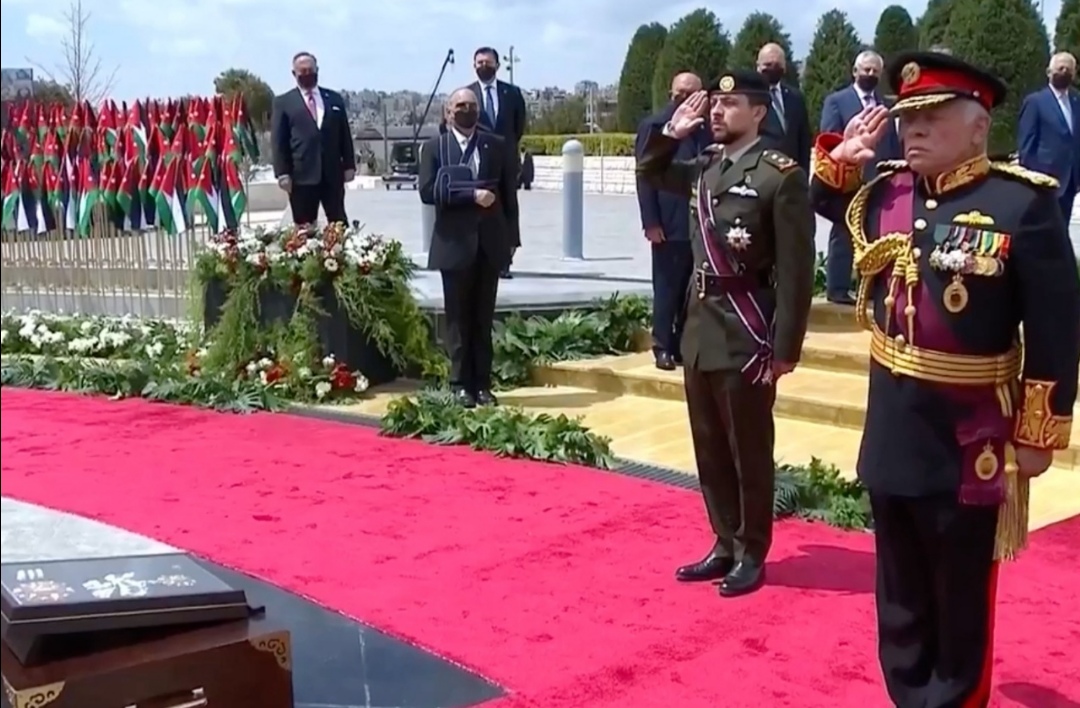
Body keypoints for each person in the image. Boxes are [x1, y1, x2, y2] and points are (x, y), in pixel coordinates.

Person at [809, 51, 1080, 706]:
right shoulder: (888, 192)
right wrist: (841, 157)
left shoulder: (1021, 204)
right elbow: (823, 200)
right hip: (894, 430)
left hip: (970, 437)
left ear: (979, 126)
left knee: (959, 599)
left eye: (931, 117)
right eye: (908, 118)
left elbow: (1056, 327)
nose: (914, 130)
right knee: (899, 600)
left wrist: (1038, 432)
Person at [637, 72, 816, 597]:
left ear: (758, 113)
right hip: (699, 327)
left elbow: (797, 270)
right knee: (710, 445)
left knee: (748, 448)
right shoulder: (705, 166)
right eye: (714, 103)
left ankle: (752, 550)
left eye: (730, 103)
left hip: (747, 328)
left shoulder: (779, 176)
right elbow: (650, 170)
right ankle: (723, 540)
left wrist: (786, 347)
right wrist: (672, 133)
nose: (716, 111)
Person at [418, 87, 518, 408]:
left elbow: (509, 195)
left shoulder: (495, 145)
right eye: (460, 105)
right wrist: (470, 195)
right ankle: (460, 383)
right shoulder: (435, 147)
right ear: (448, 112)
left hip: (489, 242)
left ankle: (483, 384)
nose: (466, 110)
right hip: (453, 244)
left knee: (483, 318)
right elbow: (427, 191)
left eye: (471, 105)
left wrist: (511, 239)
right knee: (457, 319)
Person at [635, 72, 710, 370]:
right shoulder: (656, 126)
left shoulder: (709, 129)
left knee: (693, 290)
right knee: (667, 287)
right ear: (671, 93)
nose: (685, 98)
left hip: (701, 223)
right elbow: (645, 176)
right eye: (680, 92)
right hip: (669, 222)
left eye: (692, 93)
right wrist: (651, 221)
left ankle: (682, 344)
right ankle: (663, 345)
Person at [819, 50, 902, 305]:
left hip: (880, 178)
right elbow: (830, 136)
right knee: (844, 231)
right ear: (855, 72)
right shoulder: (837, 101)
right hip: (849, 178)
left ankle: (872, 288)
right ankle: (837, 289)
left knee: (877, 232)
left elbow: (892, 141)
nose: (870, 74)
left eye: (875, 71)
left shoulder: (885, 105)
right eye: (866, 70)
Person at [270, 52, 356, 224]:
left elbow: (344, 134)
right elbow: (279, 141)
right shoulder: (283, 102)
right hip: (301, 177)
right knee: (304, 227)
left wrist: (349, 165)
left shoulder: (334, 99)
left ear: (317, 70)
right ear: (294, 74)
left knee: (339, 223)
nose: (307, 74)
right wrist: (282, 173)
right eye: (303, 71)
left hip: (332, 174)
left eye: (311, 70)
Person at [470, 47, 527, 279]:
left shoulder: (512, 93)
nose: (484, 66)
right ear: (474, 66)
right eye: (479, 62)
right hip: (480, 161)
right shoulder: (468, 94)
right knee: (485, 209)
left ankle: (506, 259)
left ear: (497, 65)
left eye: (488, 62)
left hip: (507, 160)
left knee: (508, 207)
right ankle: (484, 257)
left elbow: (519, 125)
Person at [1017, 52, 1079, 225]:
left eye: (1069, 69)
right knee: (1042, 228)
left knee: (1062, 228)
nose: (1064, 71)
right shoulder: (1035, 102)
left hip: (1070, 181)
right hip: (1043, 180)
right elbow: (1026, 145)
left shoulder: (1077, 101)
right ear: (1049, 72)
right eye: (1060, 68)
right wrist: (1031, 179)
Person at [756, 43, 812, 172]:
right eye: (768, 65)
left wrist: (804, 174)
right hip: (762, 172)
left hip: (792, 172)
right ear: (758, 66)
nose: (773, 68)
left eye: (777, 65)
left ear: (784, 67)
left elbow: (803, 139)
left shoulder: (795, 97)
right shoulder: (752, 98)